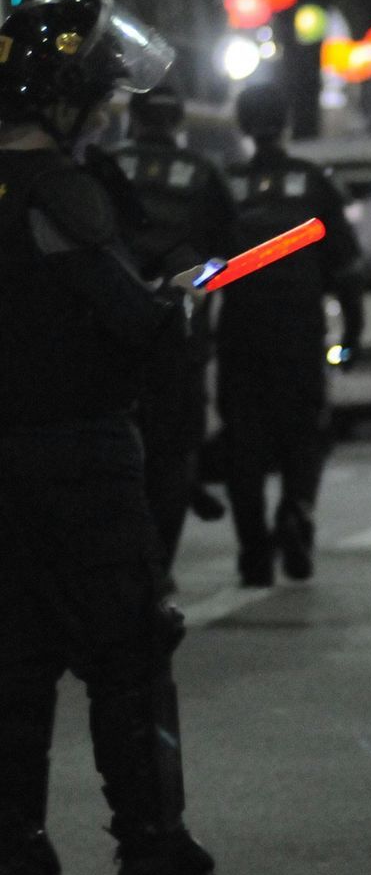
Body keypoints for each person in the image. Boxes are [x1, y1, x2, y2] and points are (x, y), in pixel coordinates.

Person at [0, 0, 258, 875]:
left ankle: (16, 860)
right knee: (130, 651)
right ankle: (154, 861)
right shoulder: (64, 193)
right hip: (79, 456)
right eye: (99, 96)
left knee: (16, 661)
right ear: (64, 100)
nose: (108, 112)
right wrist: (176, 300)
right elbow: (132, 322)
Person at [219, 82, 364, 587]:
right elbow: (346, 268)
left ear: (241, 122)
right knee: (304, 435)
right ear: (286, 122)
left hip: (240, 333)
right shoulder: (314, 183)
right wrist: (353, 336)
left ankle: (254, 554)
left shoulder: (225, 184)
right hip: (300, 333)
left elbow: (200, 267)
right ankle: (297, 509)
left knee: (244, 447)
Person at [98, 82, 241, 574]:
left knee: (112, 447)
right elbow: (230, 254)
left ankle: (118, 561)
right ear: (178, 124)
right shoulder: (204, 175)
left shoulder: (104, 166)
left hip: (111, 332)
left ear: (130, 119)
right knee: (173, 452)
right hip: (179, 334)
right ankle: (159, 567)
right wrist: (191, 286)